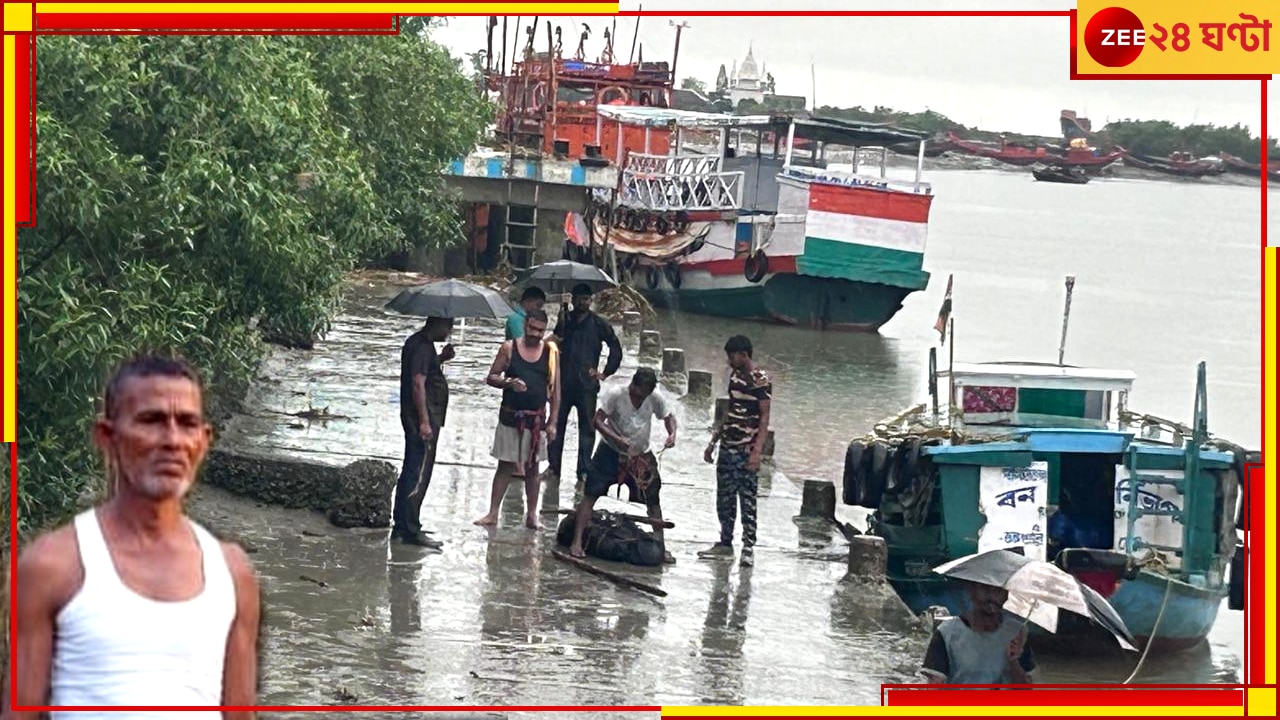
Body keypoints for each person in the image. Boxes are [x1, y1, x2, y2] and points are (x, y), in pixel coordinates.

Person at [9, 354, 260, 715]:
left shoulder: (232, 573)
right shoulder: (53, 565)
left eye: (187, 423)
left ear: (204, 440)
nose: (172, 440)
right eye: (151, 420)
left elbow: (239, 713)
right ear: (107, 437)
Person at [568, 368, 677, 564]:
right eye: (637, 393)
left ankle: (661, 546)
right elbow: (598, 421)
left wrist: (672, 434)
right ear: (633, 385)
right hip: (610, 451)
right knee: (590, 494)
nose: (640, 397)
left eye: (644, 394)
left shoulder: (655, 398)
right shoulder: (616, 395)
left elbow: (668, 417)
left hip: (640, 455)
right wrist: (616, 438)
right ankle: (576, 541)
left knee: (653, 500)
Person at [474, 308, 560, 529]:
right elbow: (491, 377)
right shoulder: (509, 348)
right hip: (511, 417)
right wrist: (508, 382)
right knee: (505, 465)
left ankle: (532, 515)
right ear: (525, 326)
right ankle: (493, 513)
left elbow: (556, 392)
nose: (536, 334)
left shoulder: (551, 353)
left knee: (533, 468)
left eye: (540, 330)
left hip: (537, 419)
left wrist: (553, 423)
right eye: (532, 328)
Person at [699, 335, 772, 567]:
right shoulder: (735, 376)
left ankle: (748, 546)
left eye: (732, 356)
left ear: (743, 354)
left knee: (748, 500)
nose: (729, 361)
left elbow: (764, 419)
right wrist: (713, 442)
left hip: (746, 448)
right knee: (724, 498)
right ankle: (725, 542)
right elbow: (730, 412)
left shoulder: (760, 380)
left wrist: (756, 452)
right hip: (728, 447)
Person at [547, 283, 622, 497]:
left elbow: (615, 348)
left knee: (587, 430)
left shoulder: (599, 324)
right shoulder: (565, 320)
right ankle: (554, 468)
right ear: (573, 299)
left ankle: (583, 471)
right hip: (562, 384)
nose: (583, 302)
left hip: (587, 387)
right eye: (579, 298)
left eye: (586, 299)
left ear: (591, 301)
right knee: (556, 426)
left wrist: (605, 373)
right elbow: (554, 344)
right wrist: (561, 319)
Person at [392, 316, 455, 549]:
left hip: (418, 417)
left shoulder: (420, 346)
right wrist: (425, 422)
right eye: (449, 325)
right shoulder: (421, 347)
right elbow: (418, 384)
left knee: (412, 468)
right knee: (418, 473)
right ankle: (410, 528)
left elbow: (423, 373)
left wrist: (440, 359)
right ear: (436, 323)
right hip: (421, 419)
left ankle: (401, 525)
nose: (450, 330)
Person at [920, 580, 1036, 685]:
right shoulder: (947, 633)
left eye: (998, 590)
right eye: (985, 588)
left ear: (1006, 595)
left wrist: (1013, 660)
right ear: (971, 589)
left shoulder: (1016, 633)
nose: (991, 596)